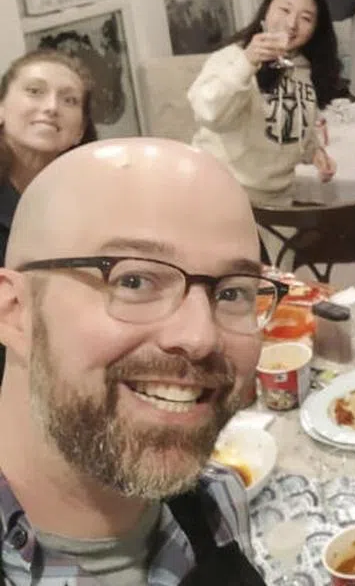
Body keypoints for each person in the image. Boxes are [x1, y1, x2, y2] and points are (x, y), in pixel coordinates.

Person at [0, 138, 284, 585]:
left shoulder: (216, 503)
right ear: (14, 311)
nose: (199, 337)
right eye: (134, 280)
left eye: (232, 292)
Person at [188, 0, 340, 208]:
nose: (292, 24)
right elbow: (208, 112)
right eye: (285, 10)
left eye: (306, 18)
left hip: (278, 201)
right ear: (266, 11)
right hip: (221, 195)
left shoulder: (304, 68)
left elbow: (294, 119)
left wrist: (314, 152)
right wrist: (248, 62)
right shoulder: (231, 58)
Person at [0, 49, 97, 389]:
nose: (52, 106)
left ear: (79, 131)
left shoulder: (94, 195)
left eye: (69, 100)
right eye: (35, 91)